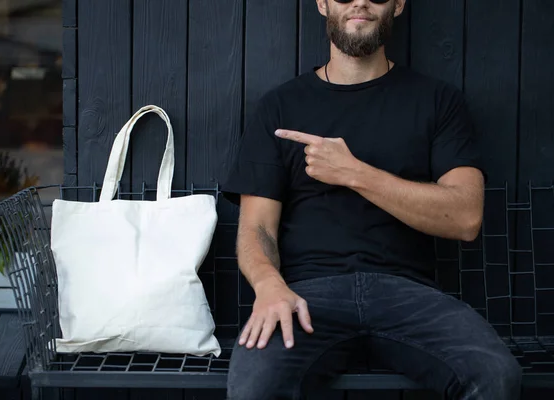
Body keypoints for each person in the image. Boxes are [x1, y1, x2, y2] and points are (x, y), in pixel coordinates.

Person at [220, 0, 523, 399]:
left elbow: (465, 217)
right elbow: (257, 228)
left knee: (496, 375)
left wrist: (353, 173)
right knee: (253, 388)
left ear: (397, 5)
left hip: (409, 296)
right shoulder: (280, 107)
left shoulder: (438, 101)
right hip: (307, 296)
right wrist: (269, 285)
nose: (359, 1)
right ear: (323, 3)